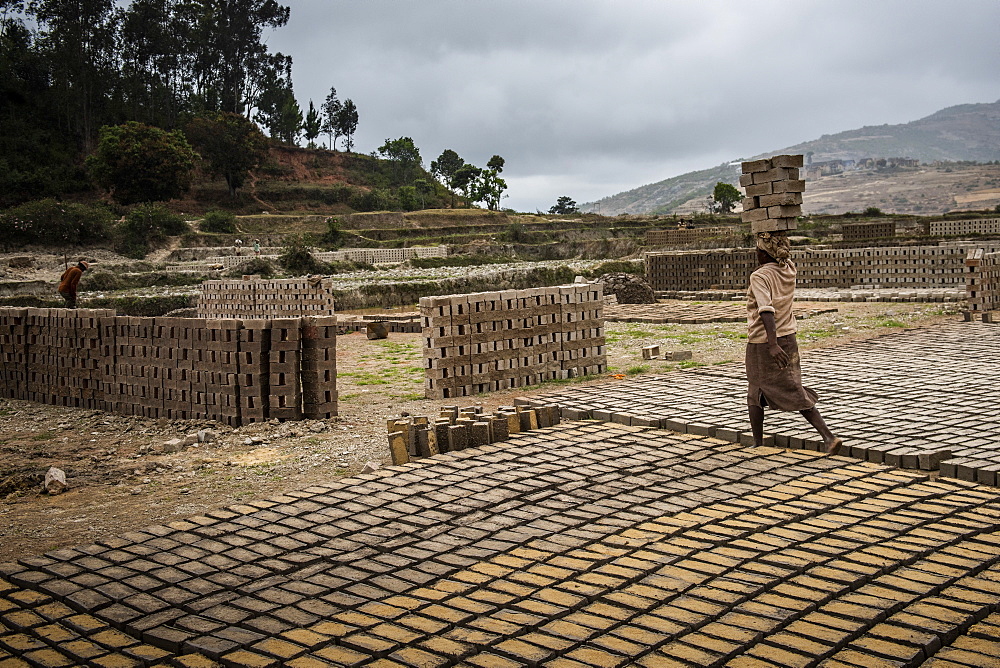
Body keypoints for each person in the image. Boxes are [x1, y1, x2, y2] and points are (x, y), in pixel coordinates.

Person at [745, 231, 842, 454]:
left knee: (789, 389)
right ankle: (758, 443)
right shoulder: (789, 268)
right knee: (758, 390)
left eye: (758, 249)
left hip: (765, 341)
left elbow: (766, 310)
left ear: (763, 253)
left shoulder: (759, 276)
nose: (755, 253)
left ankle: (828, 437)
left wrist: (771, 344)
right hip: (789, 337)